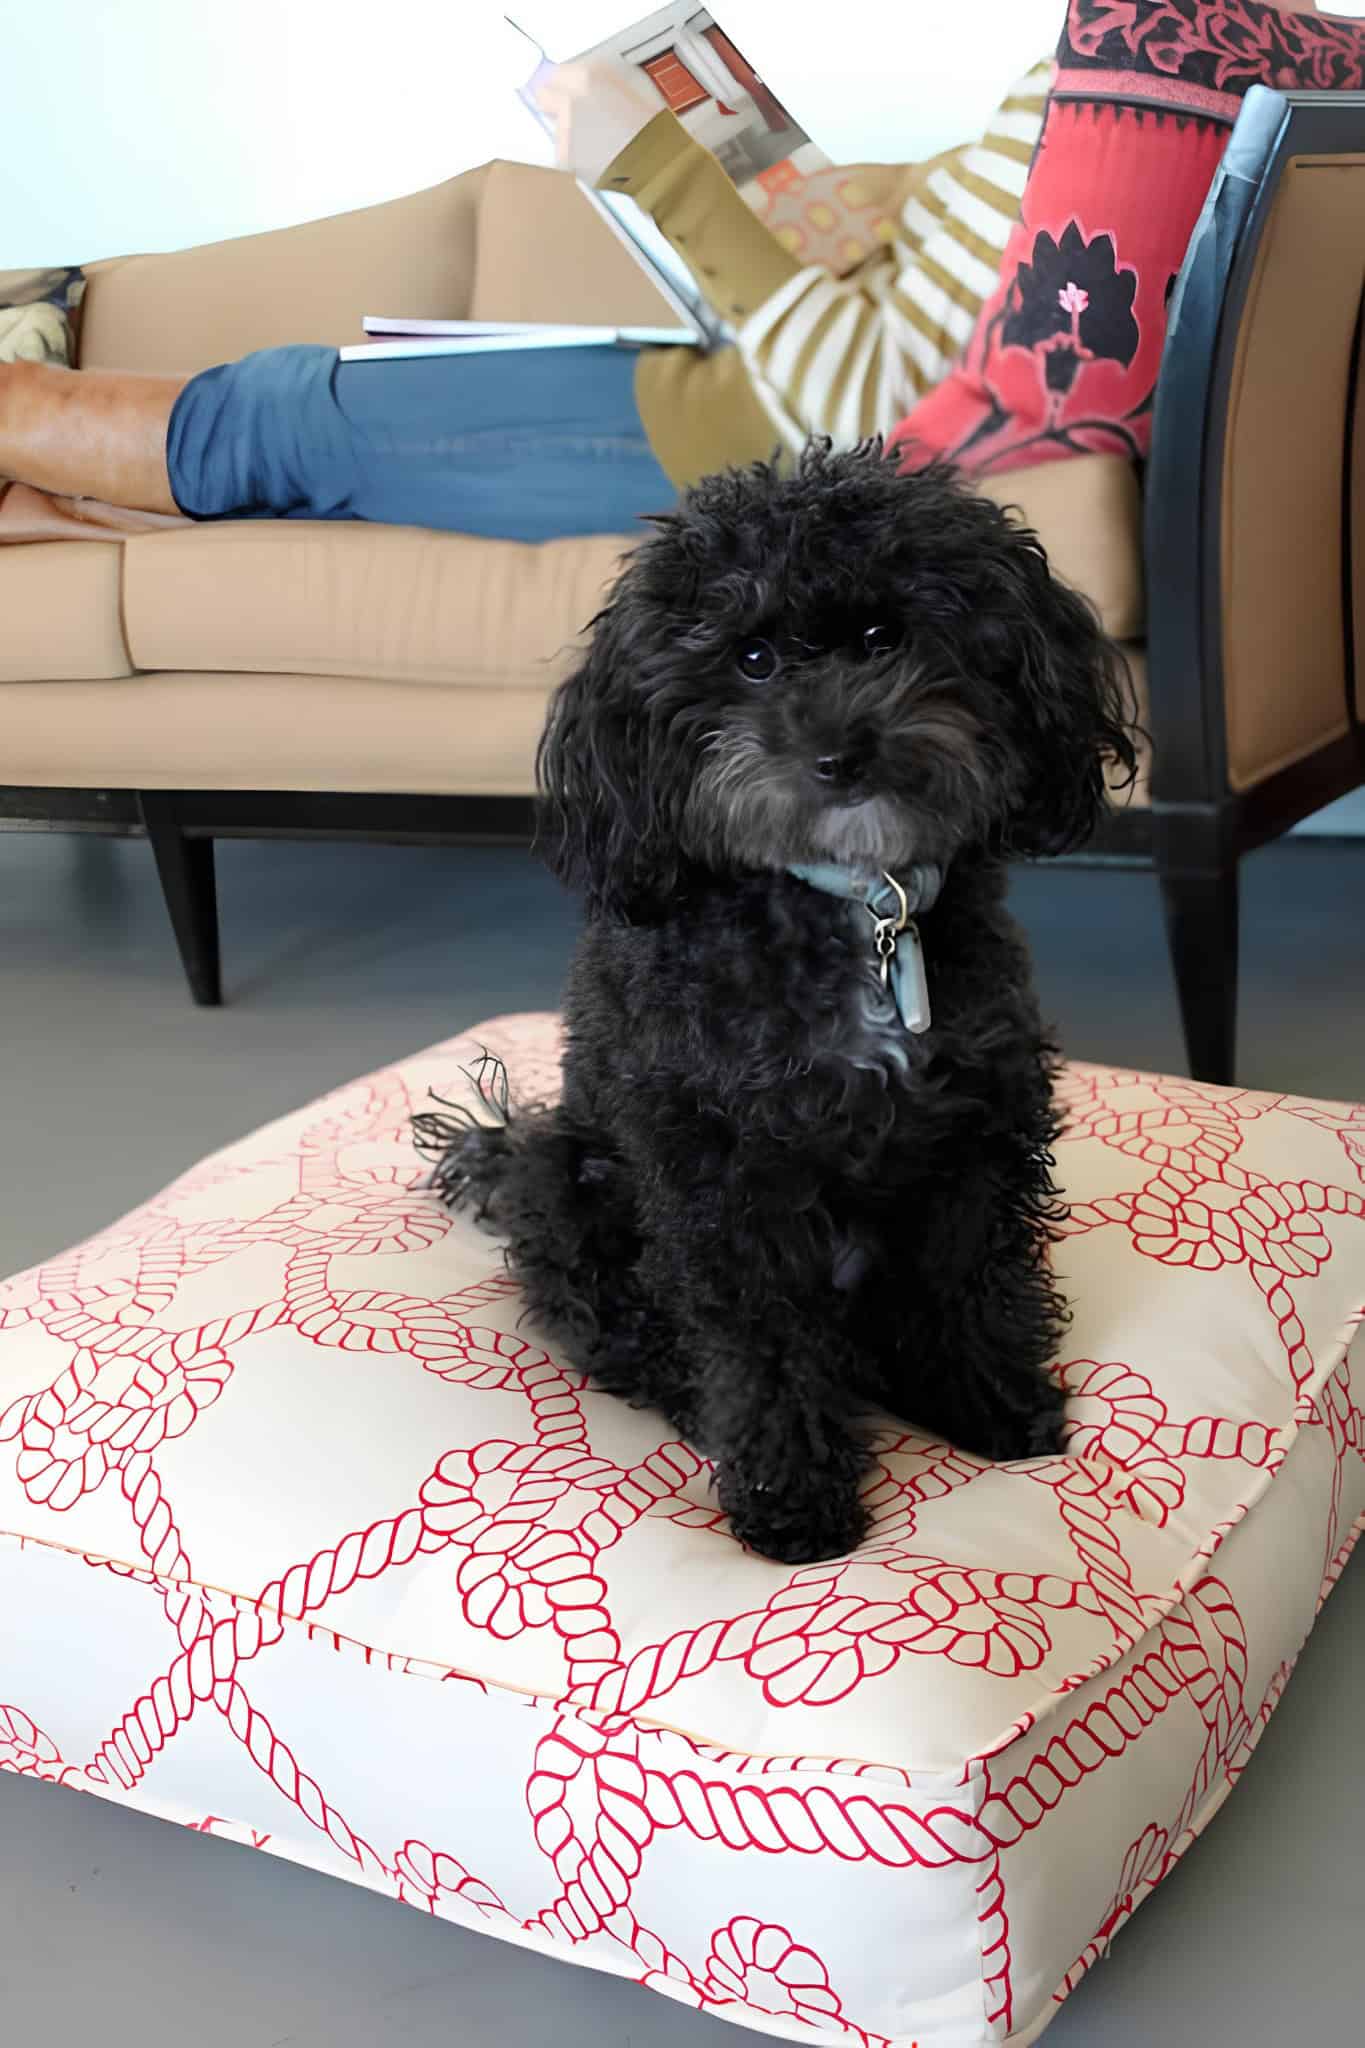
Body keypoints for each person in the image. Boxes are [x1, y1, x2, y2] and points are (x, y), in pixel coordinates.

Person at [0, 57, 1049, 545]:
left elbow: (864, 412)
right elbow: (944, 296)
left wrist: (658, 165)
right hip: (722, 393)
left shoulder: (1122, 58)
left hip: (742, 444)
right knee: (302, 409)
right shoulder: (1111, 61)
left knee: (284, 415)